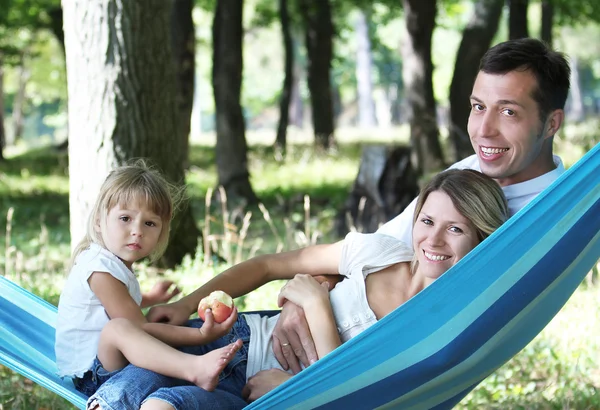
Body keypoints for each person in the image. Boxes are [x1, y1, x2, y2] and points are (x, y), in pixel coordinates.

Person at [265, 36, 572, 375]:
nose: (483, 130)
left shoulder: (551, 221)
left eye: (508, 111)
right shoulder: (468, 171)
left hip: (351, 368)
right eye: (478, 107)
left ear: (551, 123)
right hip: (322, 340)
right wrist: (309, 294)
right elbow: (380, 250)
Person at [88, 169, 509, 410]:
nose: (433, 241)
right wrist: (183, 306)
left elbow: (353, 391)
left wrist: (316, 305)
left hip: (267, 396)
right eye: (428, 221)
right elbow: (272, 265)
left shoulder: (439, 330)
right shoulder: (378, 252)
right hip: (238, 341)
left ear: (483, 239)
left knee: (159, 406)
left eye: (456, 229)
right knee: (124, 389)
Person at [55, 161, 242, 403]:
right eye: (125, 218)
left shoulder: (112, 264)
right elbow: (137, 327)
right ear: (100, 221)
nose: (137, 230)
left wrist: (150, 298)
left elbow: (116, 304)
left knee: (131, 327)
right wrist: (198, 336)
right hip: (94, 375)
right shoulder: (99, 269)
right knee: (118, 329)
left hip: (110, 360)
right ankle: (194, 368)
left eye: (149, 223)